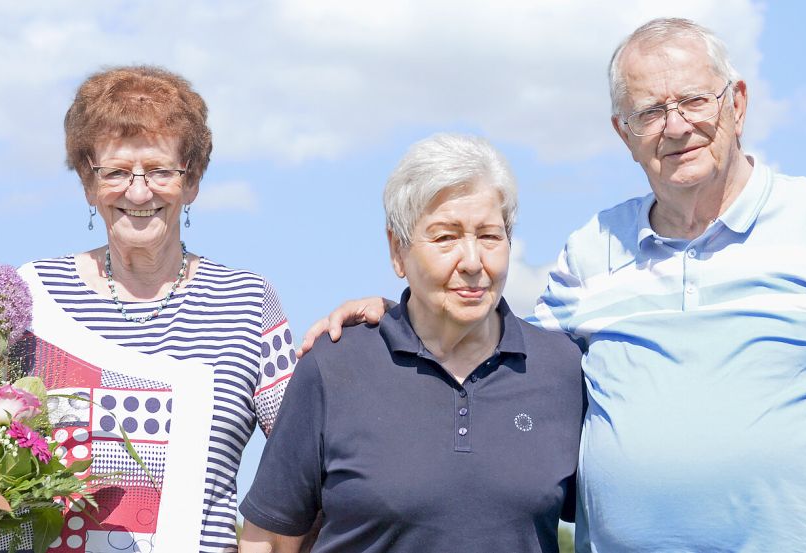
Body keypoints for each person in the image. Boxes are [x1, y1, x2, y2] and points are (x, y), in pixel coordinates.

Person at [299, 18, 806, 552]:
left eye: (692, 100)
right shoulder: (590, 252)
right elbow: (500, 361)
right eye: (650, 111)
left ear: (735, 103)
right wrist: (394, 315)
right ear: (623, 134)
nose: (675, 125)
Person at [238, 133, 584, 553]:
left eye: (490, 236)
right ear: (397, 251)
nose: (473, 262)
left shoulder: (562, 369)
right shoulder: (335, 366)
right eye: (445, 237)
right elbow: (269, 540)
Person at [13, 66, 296, 552]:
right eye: (117, 172)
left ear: (192, 182)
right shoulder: (32, 297)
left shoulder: (248, 303)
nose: (139, 191)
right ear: (88, 182)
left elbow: (308, 457)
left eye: (161, 171)